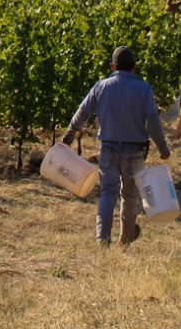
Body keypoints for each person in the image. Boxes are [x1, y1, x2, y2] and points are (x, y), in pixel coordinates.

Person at [62, 46, 171, 247]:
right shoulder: (144, 89)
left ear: (112, 66)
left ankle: (101, 239)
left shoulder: (101, 87)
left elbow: (82, 112)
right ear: (134, 67)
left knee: (108, 193)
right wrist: (163, 148)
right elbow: (153, 122)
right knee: (129, 195)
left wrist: (68, 137)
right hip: (135, 151)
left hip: (109, 150)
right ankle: (126, 238)